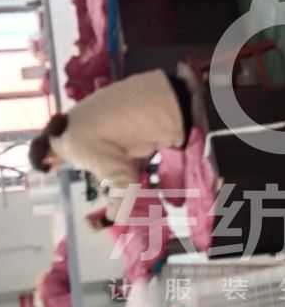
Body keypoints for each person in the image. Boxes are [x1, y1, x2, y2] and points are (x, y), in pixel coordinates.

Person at [28, 69, 196, 217]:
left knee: (180, 187)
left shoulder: (72, 147)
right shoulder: (69, 121)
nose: (59, 169)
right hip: (164, 83)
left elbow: (125, 181)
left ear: (48, 159)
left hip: (174, 113)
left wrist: (109, 218)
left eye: (54, 169)